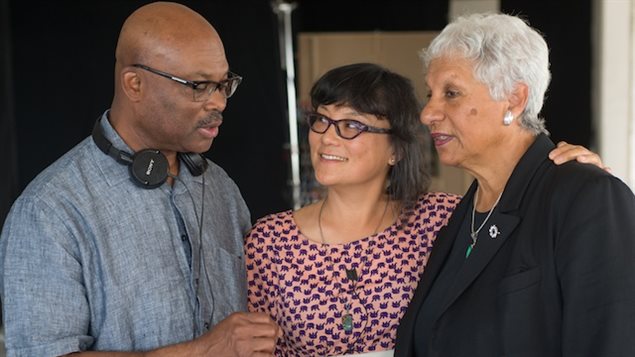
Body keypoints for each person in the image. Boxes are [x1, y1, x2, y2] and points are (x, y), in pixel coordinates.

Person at [245, 63, 605, 356]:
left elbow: (530, 229)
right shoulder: (271, 240)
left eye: (352, 124)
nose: (327, 136)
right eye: (321, 120)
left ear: (396, 150)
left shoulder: (443, 220)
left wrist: (573, 173)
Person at [0, 2, 279, 356]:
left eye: (224, 84)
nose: (219, 102)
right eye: (199, 86)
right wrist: (204, 351)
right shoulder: (49, 210)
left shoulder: (221, 188)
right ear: (134, 84)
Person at [394, 13, 635, 357]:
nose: (427, 113)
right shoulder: (465, 213)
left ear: (514, 99)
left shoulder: (588, 197)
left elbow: (611, 342)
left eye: (451, 93)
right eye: (430, 94)